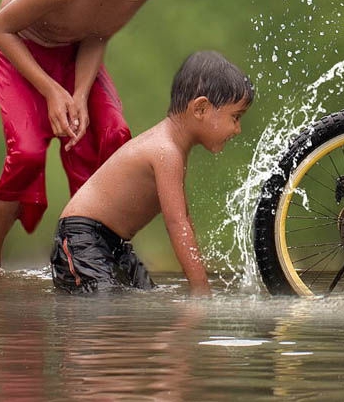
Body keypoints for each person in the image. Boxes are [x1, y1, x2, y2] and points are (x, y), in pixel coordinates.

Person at [0, 0, 172, 276]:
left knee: (111, 134)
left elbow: (98, 34)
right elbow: (0, 29)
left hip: (76, 53)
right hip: (21, 53)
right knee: (28, 152)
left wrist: (80, 95)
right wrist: (50, 90)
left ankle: (92, 246)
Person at [50, 50, 254, 295]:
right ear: (200, 109)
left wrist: (201, 283)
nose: (238, 129)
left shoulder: (173, 150)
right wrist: (201, 291)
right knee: (104, 306)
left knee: (146, 299)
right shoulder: (166, 151)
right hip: (81, 238)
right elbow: (177, 224)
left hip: (112, 243)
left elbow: (183, 219)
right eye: (235, 117)